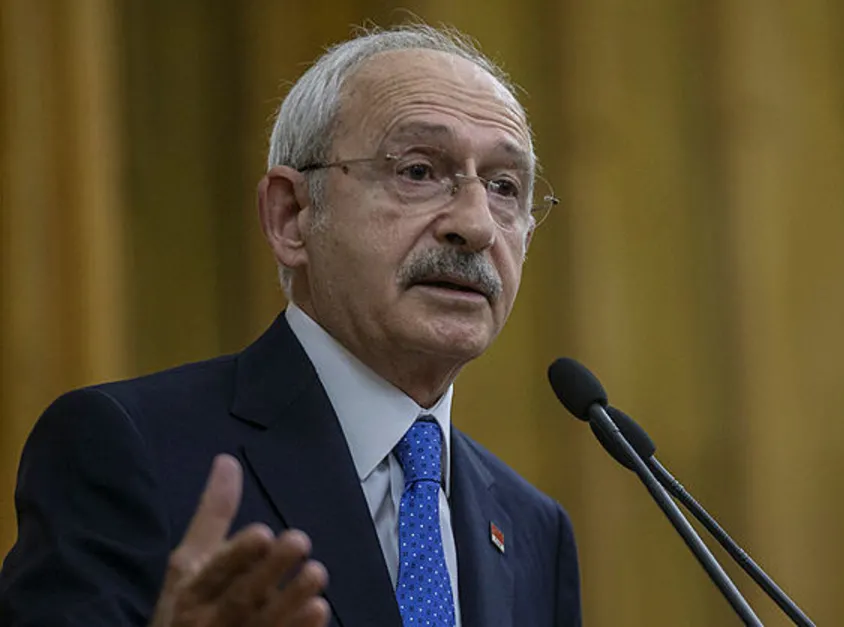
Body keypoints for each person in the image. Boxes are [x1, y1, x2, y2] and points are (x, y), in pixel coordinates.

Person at [0, 24, 581, 627]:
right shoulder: (126, 448)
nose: (477, 225)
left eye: (504, 187)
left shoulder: (534, 529)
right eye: (417, 171)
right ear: (291, 216)